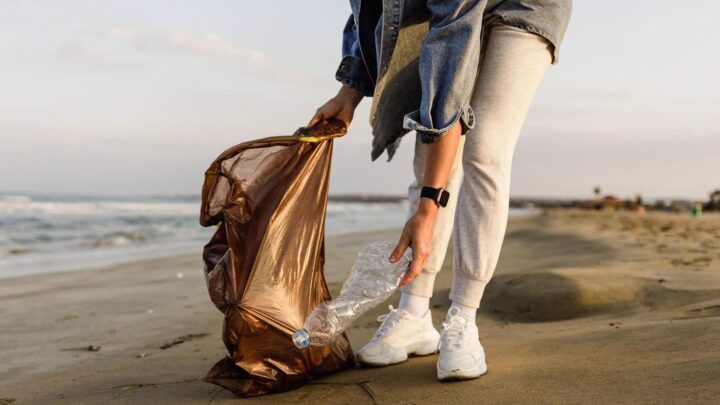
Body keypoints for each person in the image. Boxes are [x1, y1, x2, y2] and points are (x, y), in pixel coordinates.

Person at [308, 0, 571, 381]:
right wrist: (348, 93)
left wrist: (429, 207)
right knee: (428, 156)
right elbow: (368, 13)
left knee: (484, 147)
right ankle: (414, 312)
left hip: (525, 7)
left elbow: (451, 41)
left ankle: (463, 317)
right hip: (453, 13)